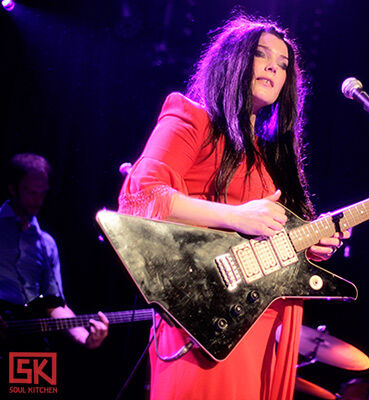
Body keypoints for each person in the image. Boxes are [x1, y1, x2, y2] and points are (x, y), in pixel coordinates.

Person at [117, 14, 349, 400]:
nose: (275, 66)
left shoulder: (270, 156)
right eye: (262, 55)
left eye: (284, 63)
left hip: (262, 320)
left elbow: (261, 236)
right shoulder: (190, 117)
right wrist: (238, 216)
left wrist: (308, 244)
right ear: (233, 61)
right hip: (206, 318)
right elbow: (140, 198)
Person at [0, 153, 109, 349]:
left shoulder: (46, 243)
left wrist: (85, 338)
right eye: (31, 192)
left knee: (39, 378)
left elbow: (53, 303)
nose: (38, 200)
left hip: (30, 343)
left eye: (42, 193)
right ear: (12, 189)